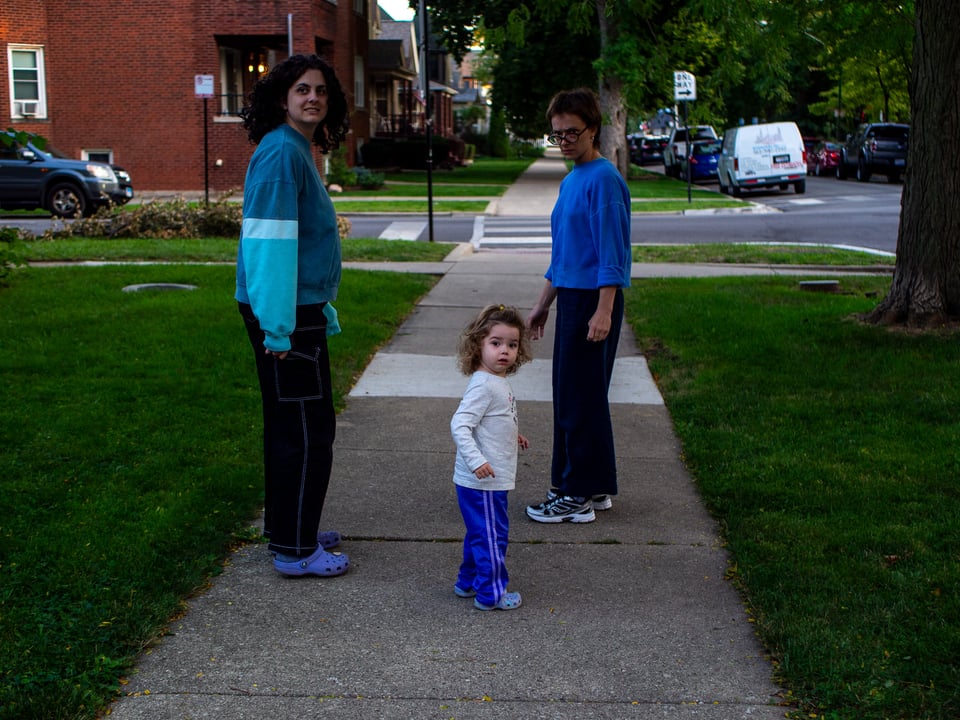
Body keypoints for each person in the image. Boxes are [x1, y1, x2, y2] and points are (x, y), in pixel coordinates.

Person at [235, 54, 351, 577]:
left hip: (295, 310)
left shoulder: (293, 149)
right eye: (302, 89)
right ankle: (297, 550)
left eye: (321, 90)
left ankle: (291, 528)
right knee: (305, 431)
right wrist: (279, 328)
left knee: (294, 425)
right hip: (285, 316)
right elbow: (269, 249)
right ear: (282, 97)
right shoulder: (282, 153)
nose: (313, 98)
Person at [524, 87, 632, 524]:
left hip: (593, 300)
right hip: (571, 297)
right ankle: (595, 485)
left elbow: (613, 254)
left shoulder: (605, 180)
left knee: (577, 399)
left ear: (593, 129)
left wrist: (603, 310)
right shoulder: (572, 179)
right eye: (557, 134)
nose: (564, 140)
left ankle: (575, 495)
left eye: (572, 132)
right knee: (582, 396)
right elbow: (564, 255)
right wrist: (542, 305)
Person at [451, 305, 533, 610]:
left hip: (486, 479)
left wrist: (514, 434)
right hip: (483, 480)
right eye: (495, 343)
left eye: (512, 345)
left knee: (480, 533)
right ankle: (491, 593)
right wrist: (477, 461)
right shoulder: (484, 385)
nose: (505, 351)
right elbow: (460, 424)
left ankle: (468, 582)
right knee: (492, 537)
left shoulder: (494, 381)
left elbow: (493, 420)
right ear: (478, 345)